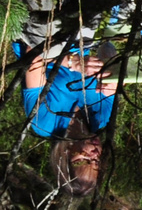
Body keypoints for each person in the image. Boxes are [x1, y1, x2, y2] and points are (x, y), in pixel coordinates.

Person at [23, 44, 118, 197]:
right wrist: (113, 73)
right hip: (86, 36)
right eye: (97, 161)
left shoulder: (44, 123)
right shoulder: (101, 117)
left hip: (45, 34)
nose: (94, 153)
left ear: (65, 156)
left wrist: (72, 62)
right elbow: (109, 51)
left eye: (84, 160)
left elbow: (32, 52)